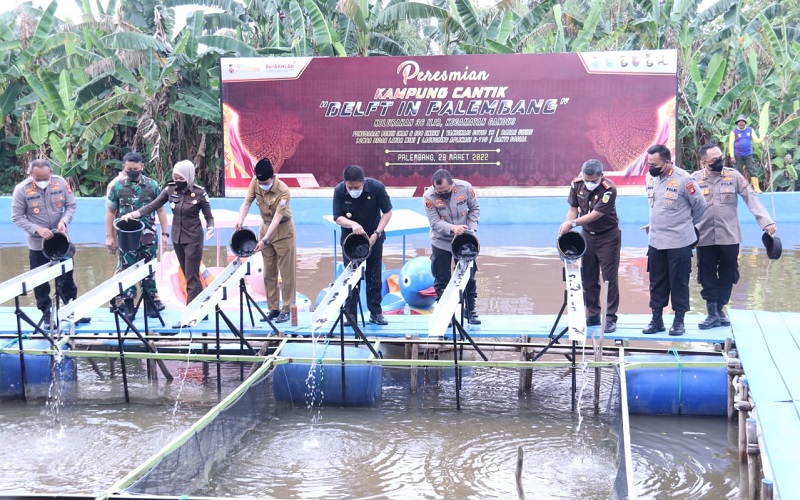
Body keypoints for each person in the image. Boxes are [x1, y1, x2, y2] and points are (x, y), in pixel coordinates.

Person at [692, 143, 777, 329]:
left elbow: (751, 197)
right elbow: (683, 205)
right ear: (704, 162)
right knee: (706, 276)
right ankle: (712, 313)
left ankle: (720, 309)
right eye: (714, 160)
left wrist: (766, 222)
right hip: (704, 237)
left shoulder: (734, 176)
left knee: (728, 275)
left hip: (729, 236)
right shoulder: (694, 180)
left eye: (720, 157)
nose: (719, 161)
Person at [122, 160, 214, 309]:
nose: (177, 181)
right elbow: (153, 205)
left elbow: (209, 216)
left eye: (181, 179)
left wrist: (210, 228)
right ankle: (200, 307)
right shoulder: (171, 190)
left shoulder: (199, 193)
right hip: (177, 237)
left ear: (189, 177)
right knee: (187, 273)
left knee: (191, 275)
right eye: (175, 178)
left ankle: (190, 313)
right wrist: (134, 214)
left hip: (193, 238)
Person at [11, 159, 89, 326]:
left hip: (62, 241)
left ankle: (70, 310)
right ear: (30, 174)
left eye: (46, 177)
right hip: (38, 244)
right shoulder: (21, 190)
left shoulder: (60, 183)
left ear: (51, 173)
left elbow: (71, 206)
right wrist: (37, 229)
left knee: (67, 278)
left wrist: (64, 221)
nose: (42, 182)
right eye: (38, 179)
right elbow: (17, 217)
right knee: (40, 282)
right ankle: (47, 314)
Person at [642, 144, 707, 336]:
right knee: (656, 281)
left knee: (679, 281)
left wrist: (684, 224)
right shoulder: (650, 178)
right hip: (655, 240)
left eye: (654, 164)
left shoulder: (684, 180)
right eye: (648, 163)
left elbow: (700, 207)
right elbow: (656, 205)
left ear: (668, 162)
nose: (650, 167)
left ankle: (679, 321)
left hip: (679, 241)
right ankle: (657, 320)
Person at [558, 159, 620, 333]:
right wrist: (567, 226)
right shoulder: (576, 184)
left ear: (601, 176)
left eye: (593, 180)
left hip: (608, 236)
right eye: (587, 179)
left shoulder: (609, 189)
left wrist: (573, 223)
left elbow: (595, 214)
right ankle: (592, 314)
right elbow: (573, 209)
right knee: (588, 277)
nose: (589, 183)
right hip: (587, 236)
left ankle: (609, 318)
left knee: (609, 278)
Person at [105, 152, 169, 319]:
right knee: (127, 268)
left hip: (148, 234)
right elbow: (110, 212)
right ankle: (128, 303)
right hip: (126, 235)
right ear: (124, 168)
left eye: (136, 168)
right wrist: (109, 236)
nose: (133, 171)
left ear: (142, 166)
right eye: (129, 169)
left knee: (149, 268)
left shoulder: (152, 185)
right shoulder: (117, 186)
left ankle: (150, 302)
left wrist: (165, 233)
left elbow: (161, 210)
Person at [235, 158, 296, 324]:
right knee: (269, 272)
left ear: (273, 176)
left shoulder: (283, 191)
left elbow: (277, 218)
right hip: (265, 227)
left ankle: (287, 309)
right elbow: (246, 203)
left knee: (287, 273)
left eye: (265, 182)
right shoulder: (255, 182)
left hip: (282, 230)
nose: (262, 185)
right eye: (260, 182)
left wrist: (265, 240)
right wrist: (240, 219)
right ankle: (273, 309)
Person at [332, 165, 392, 325]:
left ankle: (376, 313)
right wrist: (352, 224)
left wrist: (377, 233)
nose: (353, 190)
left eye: (356, 187)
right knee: (351, 277)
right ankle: (350, 315)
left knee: (374, 276)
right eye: (350, 187)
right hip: (351, 242)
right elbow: (337, 217)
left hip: (373, 238)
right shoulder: (339, 191)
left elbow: (388, 212)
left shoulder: (377, 188)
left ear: (363, 182)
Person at [423, 169, 481, 324]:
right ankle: (445, 313)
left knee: (468, 275)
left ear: (452, 184)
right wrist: (452, 228)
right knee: (441, 277)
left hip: (464, 239)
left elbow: (475, 209)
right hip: (441, 240)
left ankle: (471, 311)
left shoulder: (466, 188)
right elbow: (435, 222)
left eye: (446, 191)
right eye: (439, 191)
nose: (442, 194)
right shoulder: (428, 197)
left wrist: (472, 229)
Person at [728, 114, 765, 186]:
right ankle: (737, 188)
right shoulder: (734, 132)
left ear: (745, 123)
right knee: (737, 172)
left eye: (743, 122)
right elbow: (730, 145)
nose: (741, 123)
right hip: (737, 155)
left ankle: (756, 188)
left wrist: (763, 139)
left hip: (748, 155)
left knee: (752, 170)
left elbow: (756, 140)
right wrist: (732, 156)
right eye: (739, 122)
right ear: (737, 123)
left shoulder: (750, 130)